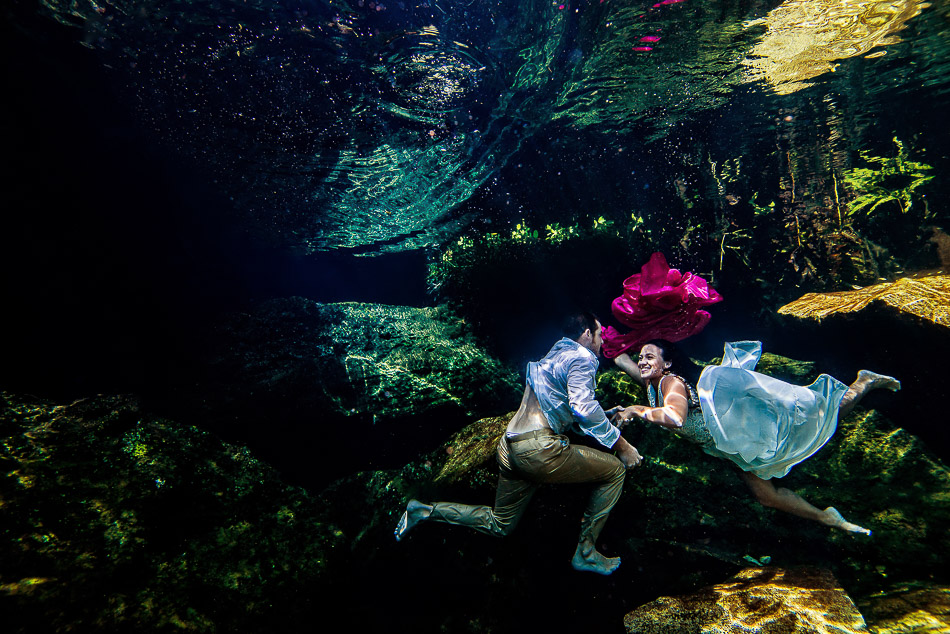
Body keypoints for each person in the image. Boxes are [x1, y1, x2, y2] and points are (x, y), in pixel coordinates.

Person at [394, 313, 643, 575]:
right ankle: (586, 551)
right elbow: (582, 406)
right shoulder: (582, 356)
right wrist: (622, 446)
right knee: (615, 470)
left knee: (500, 523)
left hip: (510, 446)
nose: (602, 341)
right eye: (600, 334)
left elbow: (562, 407)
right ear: (586, 333)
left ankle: (425, 511)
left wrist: (602, 415)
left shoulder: (555, 353)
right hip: (538, 450)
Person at [612, 339, 901, 535]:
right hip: (729, 447)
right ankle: (827, 517)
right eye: (641, 358)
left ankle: (865, 381)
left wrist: (636, 410)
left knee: (823, 415)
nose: (643, 362)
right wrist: (618, 354)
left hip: (746, 430)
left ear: (668, 363)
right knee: (766, 497)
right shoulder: (653, 384)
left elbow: (675, 418)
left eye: (650, 357)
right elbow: (627, 365)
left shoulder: (670, 382)